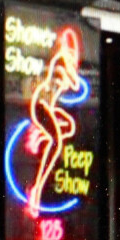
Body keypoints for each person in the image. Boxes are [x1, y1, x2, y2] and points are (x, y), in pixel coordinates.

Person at [25, 28, 81, 219]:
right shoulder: (60, 60)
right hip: (41, 103)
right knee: (56, 142)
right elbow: (74, 83)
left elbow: (74, 86)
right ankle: (36, 190)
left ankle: (38, 135)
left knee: (69, 127)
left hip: (49, 106)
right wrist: (69, 60)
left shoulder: (66, 64)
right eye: (69, 47)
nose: (72, 52)